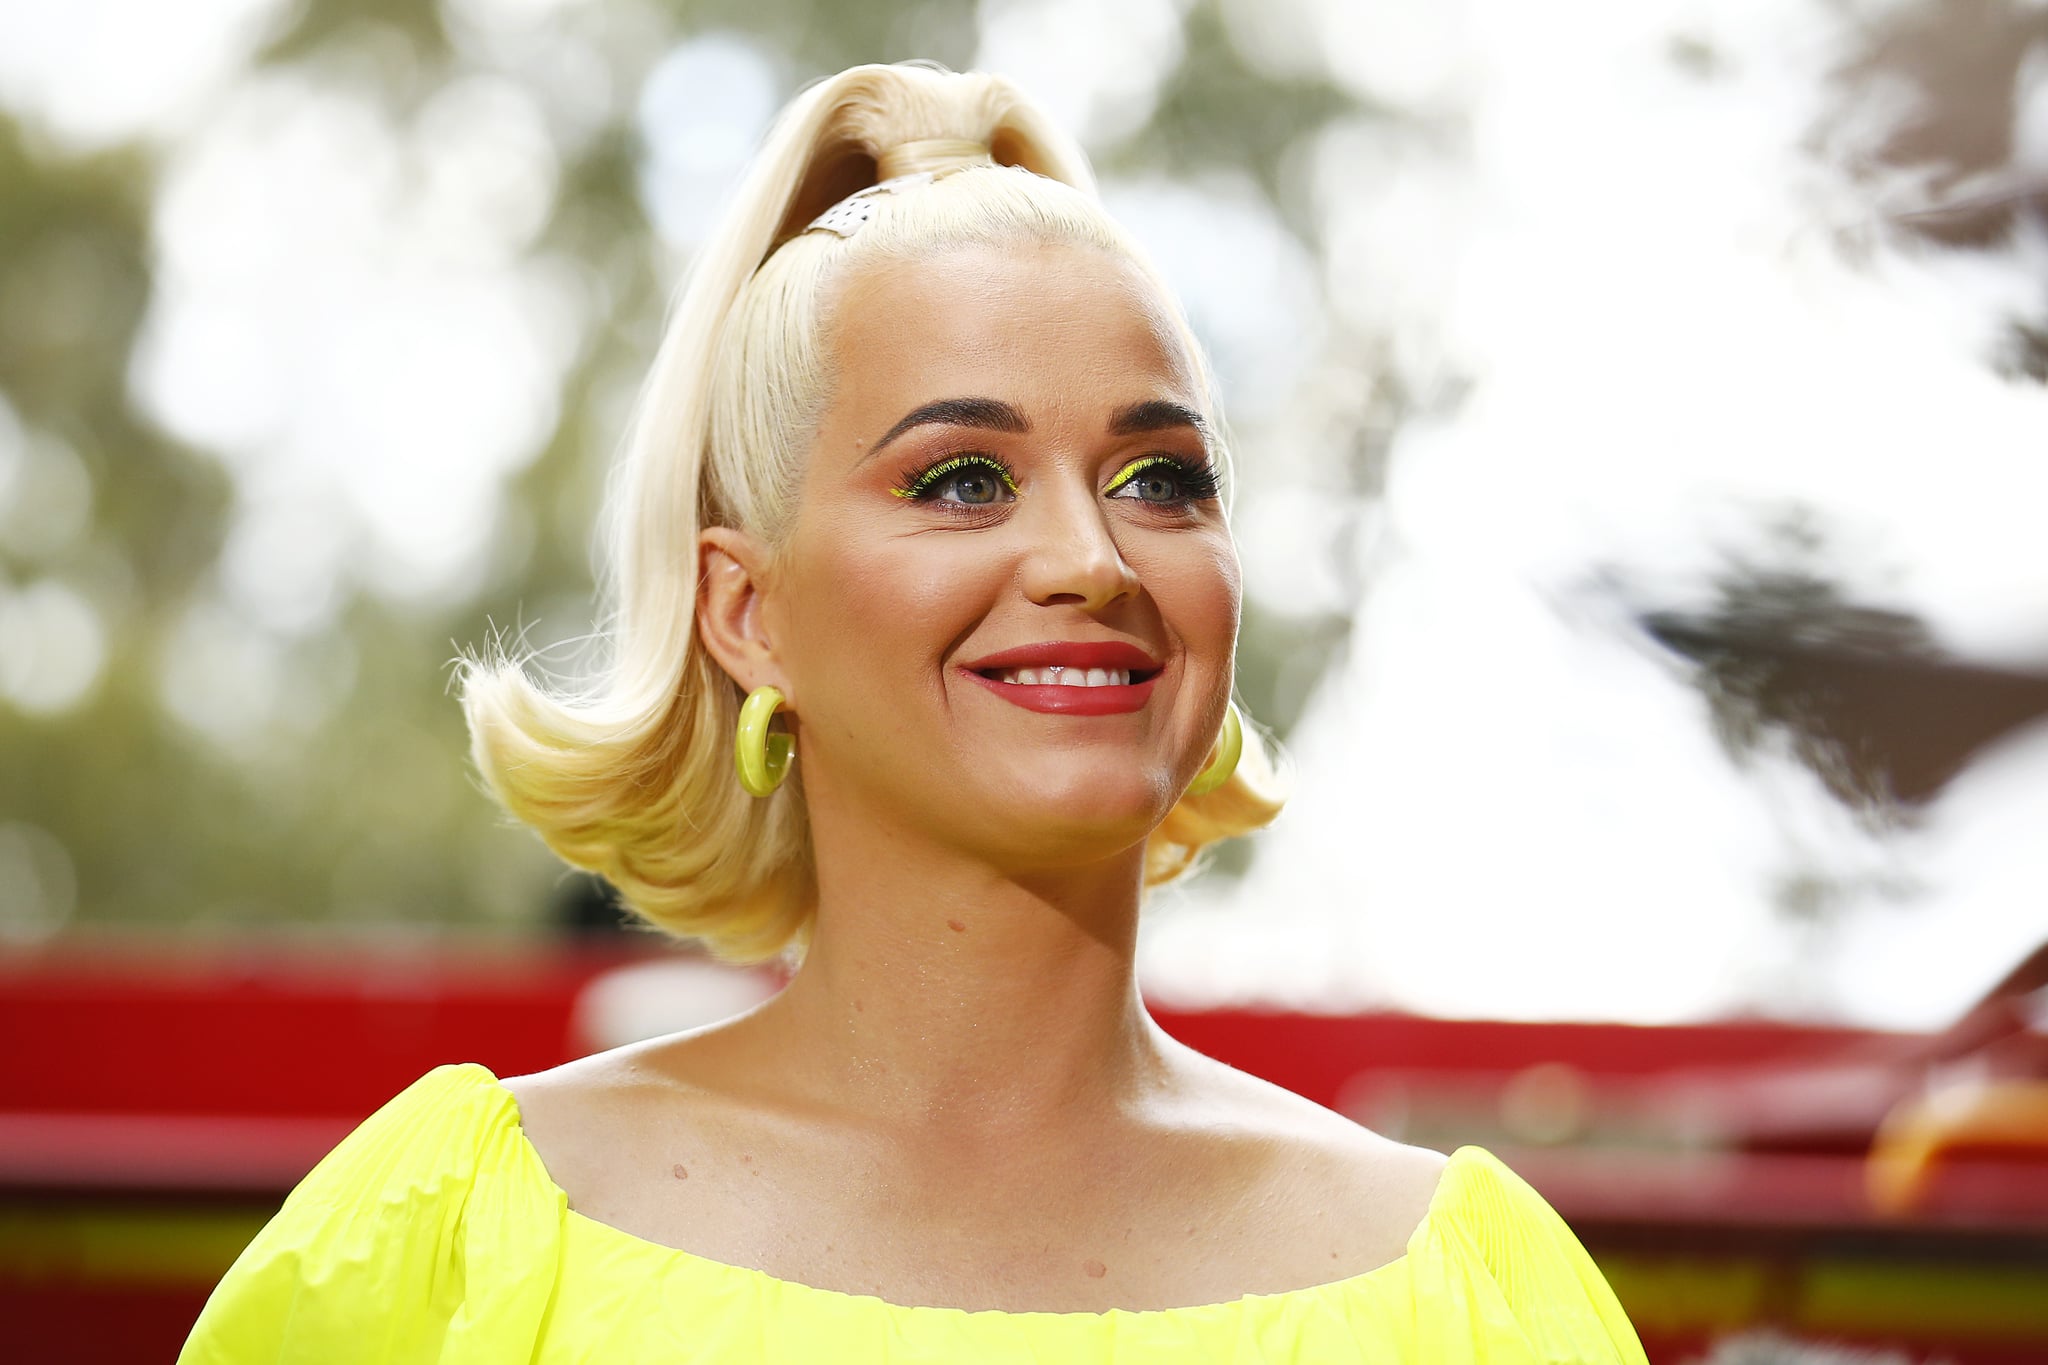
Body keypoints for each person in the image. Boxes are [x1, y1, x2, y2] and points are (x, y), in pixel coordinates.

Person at [179, 62, 1648, 1363]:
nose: (1090, 557)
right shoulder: (462, 1247)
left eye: (1162, 479)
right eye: (961, 479)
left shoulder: (1464, 1301)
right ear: (745, 613)